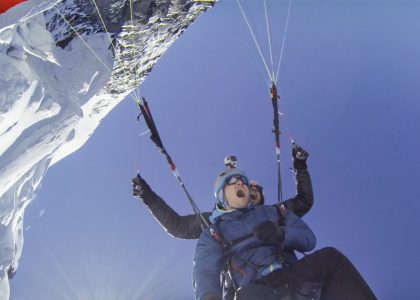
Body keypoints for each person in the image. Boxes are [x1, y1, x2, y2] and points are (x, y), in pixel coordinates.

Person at [193, 168, 377, 300]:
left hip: (292, 276)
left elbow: (308, 240)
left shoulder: (273, 212)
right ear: (221, 195)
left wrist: (283, 234)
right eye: (232, 181)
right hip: (255, 288)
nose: (240, 183)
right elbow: (205, 270)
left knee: (330, 258)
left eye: (243, 181)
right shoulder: (214, 232)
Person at [132, 144, 313, 240]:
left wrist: (300, 168)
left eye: (256, 191)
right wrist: (148, 197)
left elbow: (303, 202)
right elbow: (178, 227)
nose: (249, 191)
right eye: (249, 188)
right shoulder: (214, 220)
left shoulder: (273, 214)